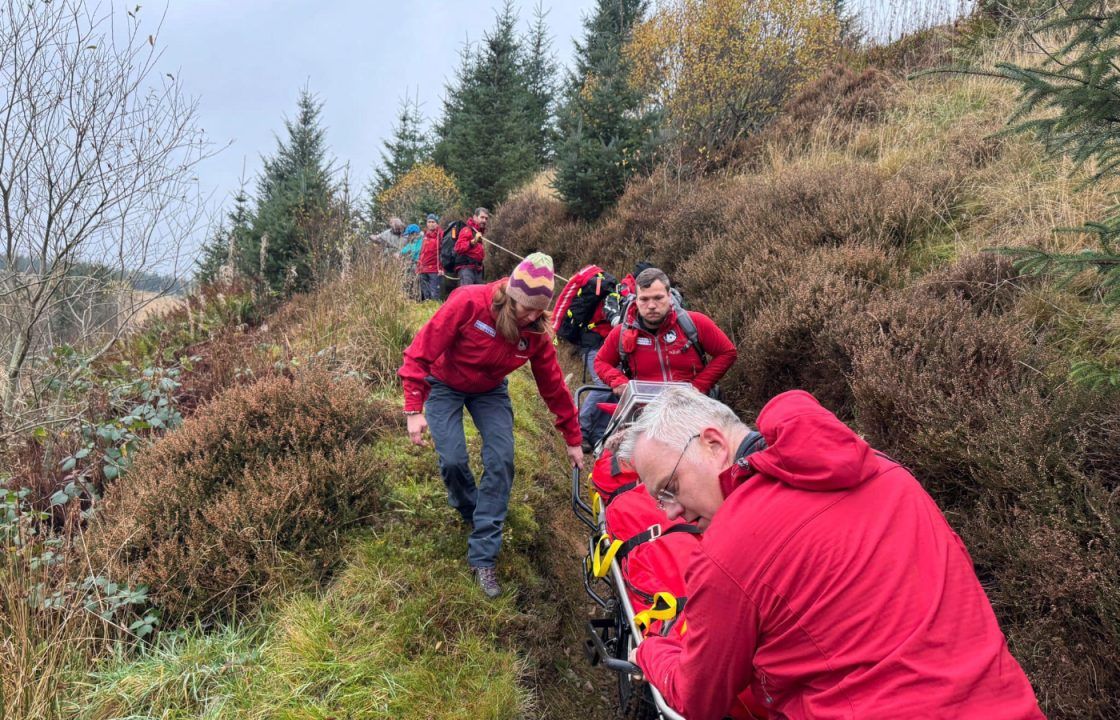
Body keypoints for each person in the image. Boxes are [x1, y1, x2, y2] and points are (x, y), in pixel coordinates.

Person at [618, 387, 1044, 720]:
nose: (672, 511)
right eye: (659, 500)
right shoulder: (888, 471)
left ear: (713, 444)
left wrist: (650, 652)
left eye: (669, 488)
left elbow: (699, 700)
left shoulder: (729, 549)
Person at [399, 252, 585, 598]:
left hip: (489, 392)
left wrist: (573, 437)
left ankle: (483, 554)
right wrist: (414, 408)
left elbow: (554, 387)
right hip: (444, 384)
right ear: (509, 293)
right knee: (453, 460)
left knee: (502, 459)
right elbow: (419, 352)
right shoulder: (469, 302)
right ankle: (470, 509)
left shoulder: (537, 333)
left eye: (536, 310)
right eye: (522, 306)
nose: (528, 316)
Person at [594, 267, 736, 398]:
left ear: (669, 295)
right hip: (645, 412)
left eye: (658, 298)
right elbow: (601, 361)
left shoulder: (694, 323)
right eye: (644, 299)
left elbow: (727, 352)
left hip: (693, 406)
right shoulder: (622, 332)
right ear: (635, 300)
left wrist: (699, 386)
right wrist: (619, 382)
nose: (651, 306)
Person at [453, 207, 489, 286]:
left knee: (478, 295)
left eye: (486, 218)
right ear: (475, 217)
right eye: (482, 217)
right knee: (467, 294)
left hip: (477, 269)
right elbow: (458, 247)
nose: (484, 220)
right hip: (466, 269)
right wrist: (472, 242)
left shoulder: (480, 233)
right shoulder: (467, 230)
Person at [417, 213, 442, 301]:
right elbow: (421, 253)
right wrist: (418, 267)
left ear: (437, 223)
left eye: (433, 222)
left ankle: (435, 311)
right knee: (426, 295)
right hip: (423, 269)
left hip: (435, 270)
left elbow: (444, 252)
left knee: (434, 294)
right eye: (429, 222)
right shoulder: (424, 236)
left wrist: (442, 268)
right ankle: (428, 313)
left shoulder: (441, 235)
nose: (431, 224)